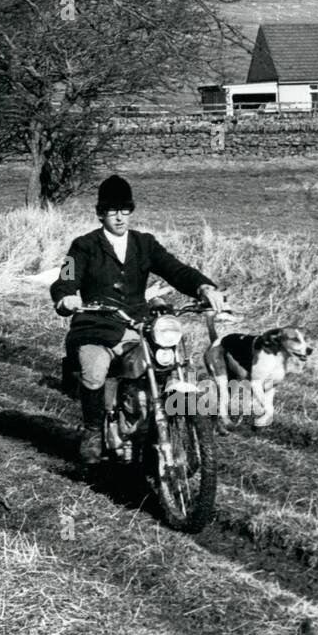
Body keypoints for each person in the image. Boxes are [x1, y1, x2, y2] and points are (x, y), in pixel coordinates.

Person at [51, 175, 225, 464]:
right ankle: (94, 431)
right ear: (100, 213)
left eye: (124, 210)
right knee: (95, 371)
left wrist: (203, 287)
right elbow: (65, 277)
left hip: (135, 326)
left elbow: (176, 269)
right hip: (95, 327)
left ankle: (153, 427)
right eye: (112, 210)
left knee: (162, 365)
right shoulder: (82, 246)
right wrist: (66, 296)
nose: (119, 217)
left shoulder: (145, 244)